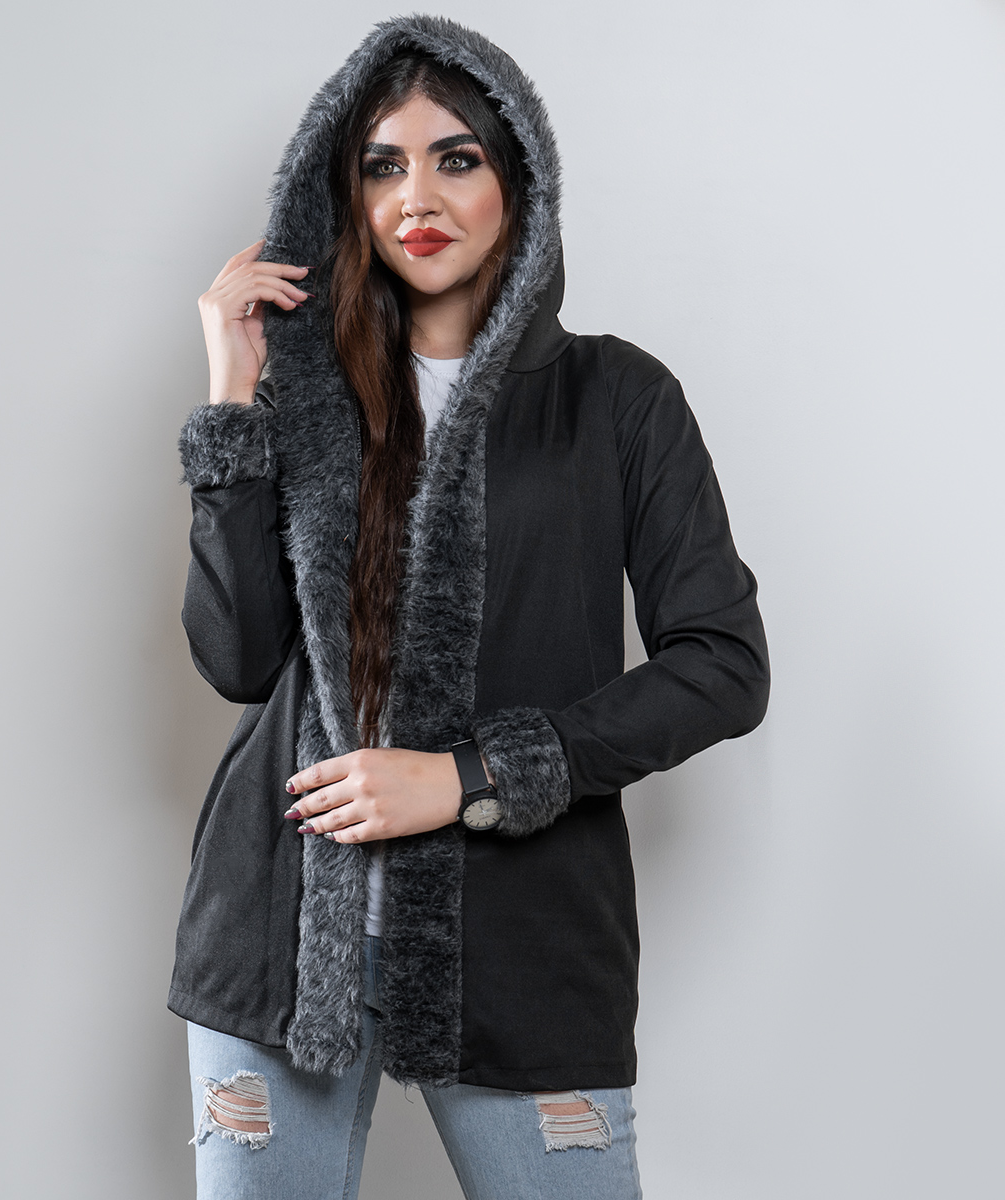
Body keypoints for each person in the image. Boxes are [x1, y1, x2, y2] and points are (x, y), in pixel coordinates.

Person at [169, 15, 770, 1200]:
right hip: (276, 936)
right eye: (381, 166)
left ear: (519, 179)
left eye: (457, 159)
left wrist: (468, 776)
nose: (417, 198)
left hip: (526, 943)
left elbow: (722, 666)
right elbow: (239, 660)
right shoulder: (308, 401)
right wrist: (235, 399)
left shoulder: (618, 398)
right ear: (345, 195)